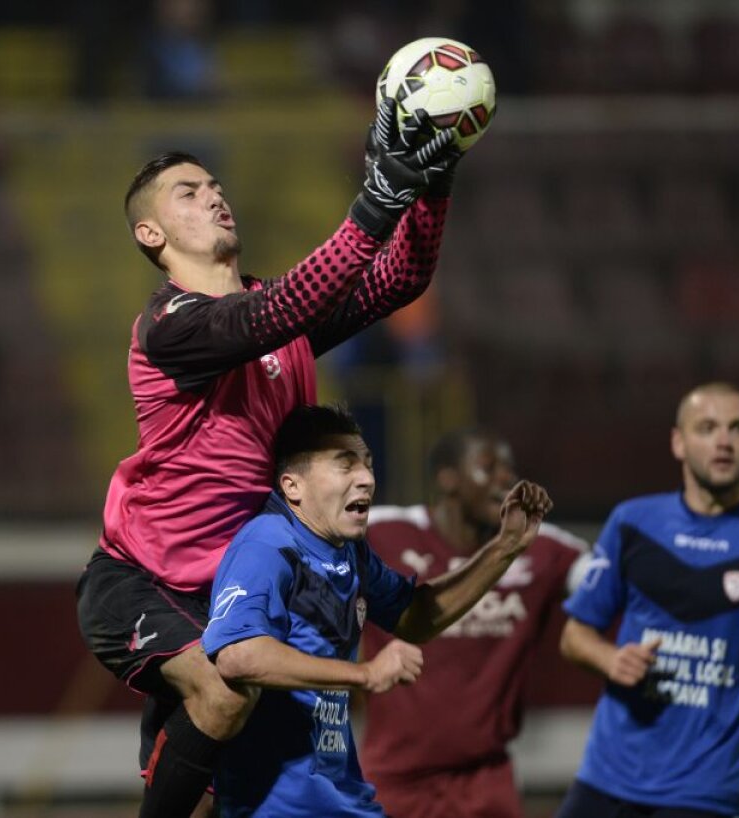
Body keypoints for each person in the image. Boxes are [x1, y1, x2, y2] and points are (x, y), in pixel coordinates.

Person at [76, 97, 464, 818]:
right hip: (144, 579)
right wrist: (378, 197)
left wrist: (432, 186)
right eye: (188, 192)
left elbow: (399, 280)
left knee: (228, 780)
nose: (214, 195)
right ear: (151, 232)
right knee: (227, 693)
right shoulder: (170, 328)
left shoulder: (268, 316)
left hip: (233, 582)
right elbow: (275, 313)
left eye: (215, 184)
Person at [200, 404, 554, 817]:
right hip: (277, 808)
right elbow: (239, 654)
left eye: (367, 464)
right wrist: (364, 674)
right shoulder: (267, 544)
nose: (366, 479)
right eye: (345, 465)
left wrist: (504, 548)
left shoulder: (349, 552)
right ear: (293, 486)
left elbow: (415, 616)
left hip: (341, 798)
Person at [556, 382, 739, 818]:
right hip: (606, 779)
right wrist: (609, 659)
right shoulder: (633, 523)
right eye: (707, 427)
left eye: (738, 428)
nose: (724, 441)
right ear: (678, 442)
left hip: (703, 795)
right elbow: (574, 636)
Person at [359, 430, 589, 818]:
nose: (504, 478)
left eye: (508, 469)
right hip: (395, 780)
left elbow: (617, 582)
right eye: (488, 467)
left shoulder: (542, 547)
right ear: (447, 478)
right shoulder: (382, 532)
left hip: (487, 780)